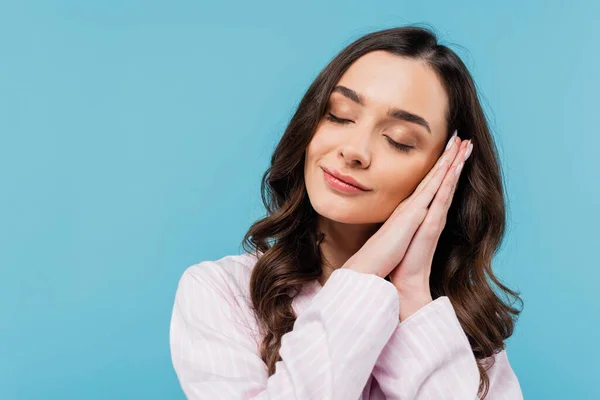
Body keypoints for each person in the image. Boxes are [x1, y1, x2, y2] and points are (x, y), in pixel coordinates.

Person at [169, 25, 524, 399]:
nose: (354, 149)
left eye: (398, 140)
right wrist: (364, 272)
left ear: (444, 172)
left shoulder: (465, 333)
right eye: (339, 115)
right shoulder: (222, 292)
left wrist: (413, 294)